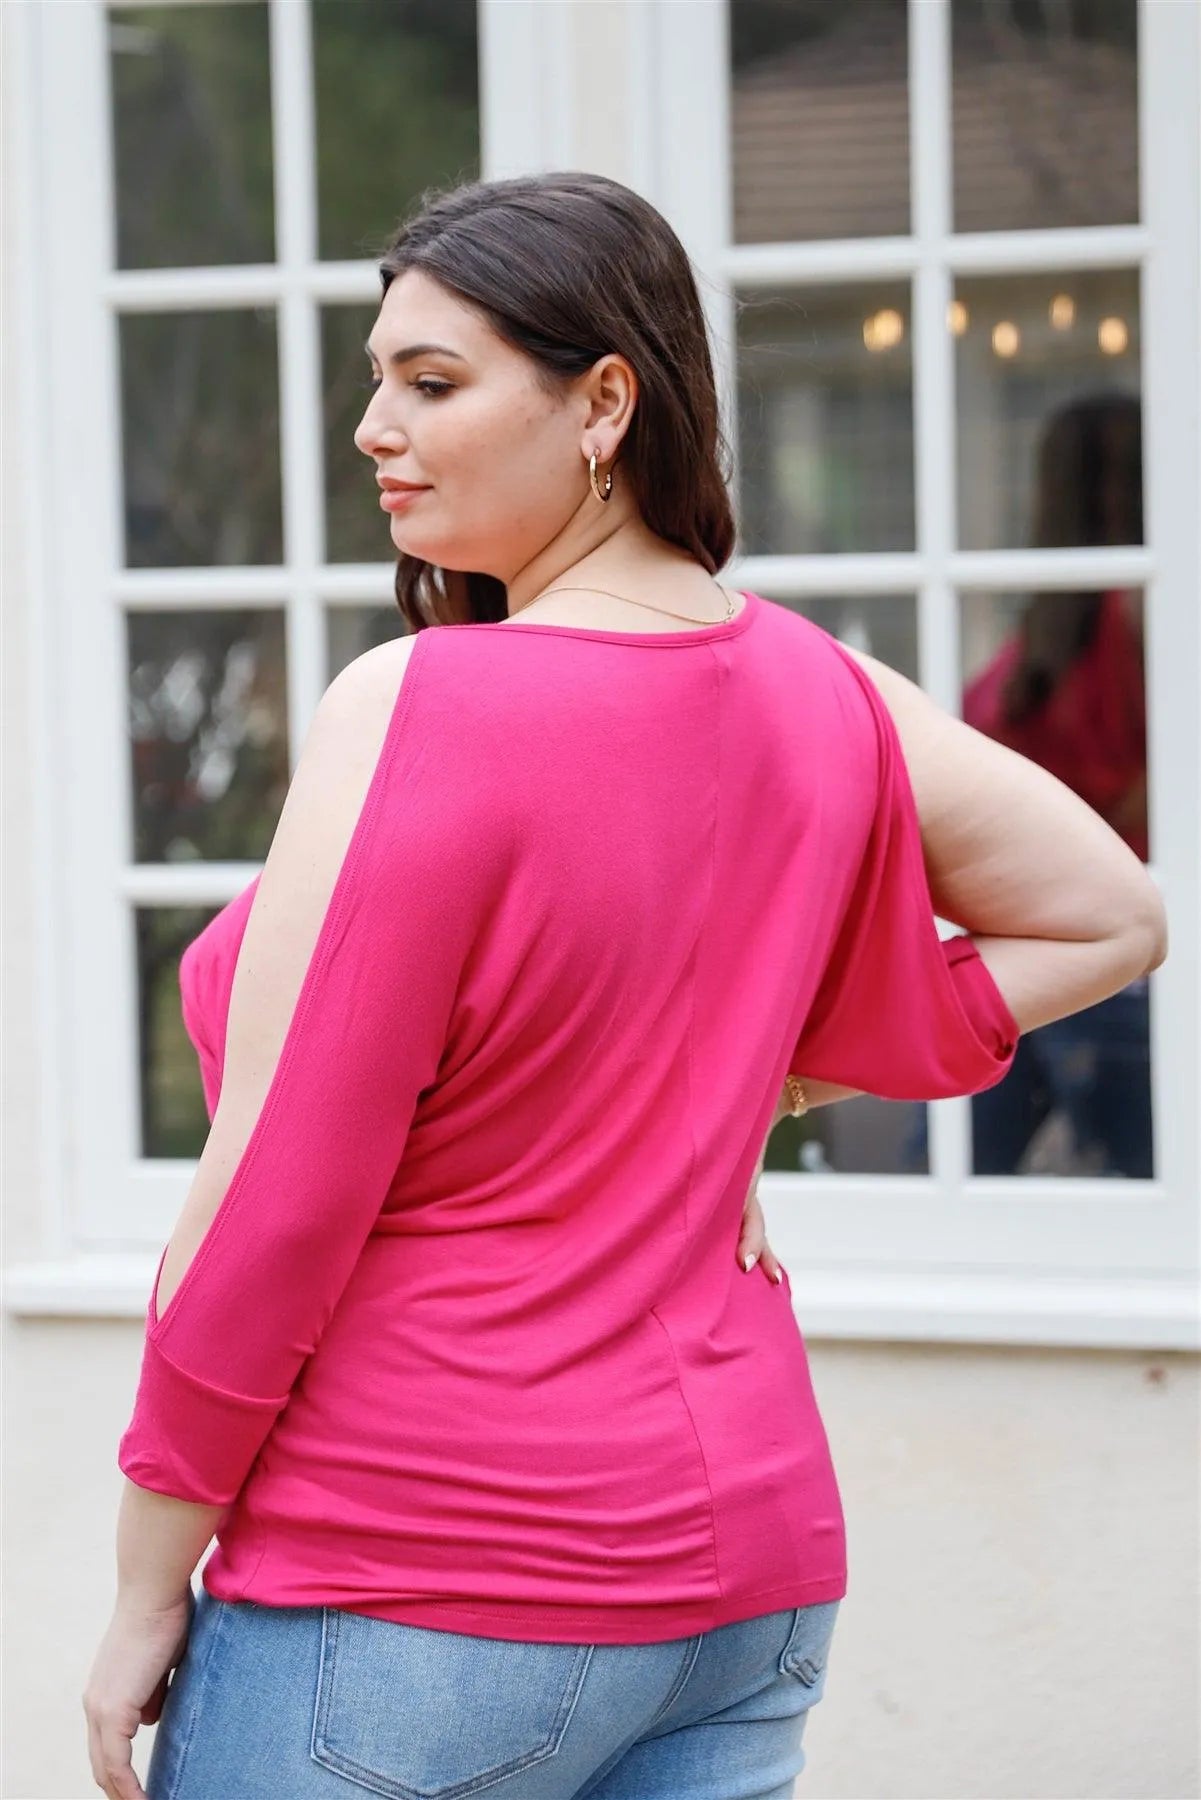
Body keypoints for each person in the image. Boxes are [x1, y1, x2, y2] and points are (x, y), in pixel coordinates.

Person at [84, 172, 1166, 1800]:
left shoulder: (417, 703)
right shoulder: (821, 686)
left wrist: (144, 1580)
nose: (374, 427)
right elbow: (1109, 916)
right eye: (377, 380)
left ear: (604, 403)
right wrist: (744, 1088)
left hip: (422, 1578)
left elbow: (271, 1207)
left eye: (430, 382)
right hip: (744, 1584)